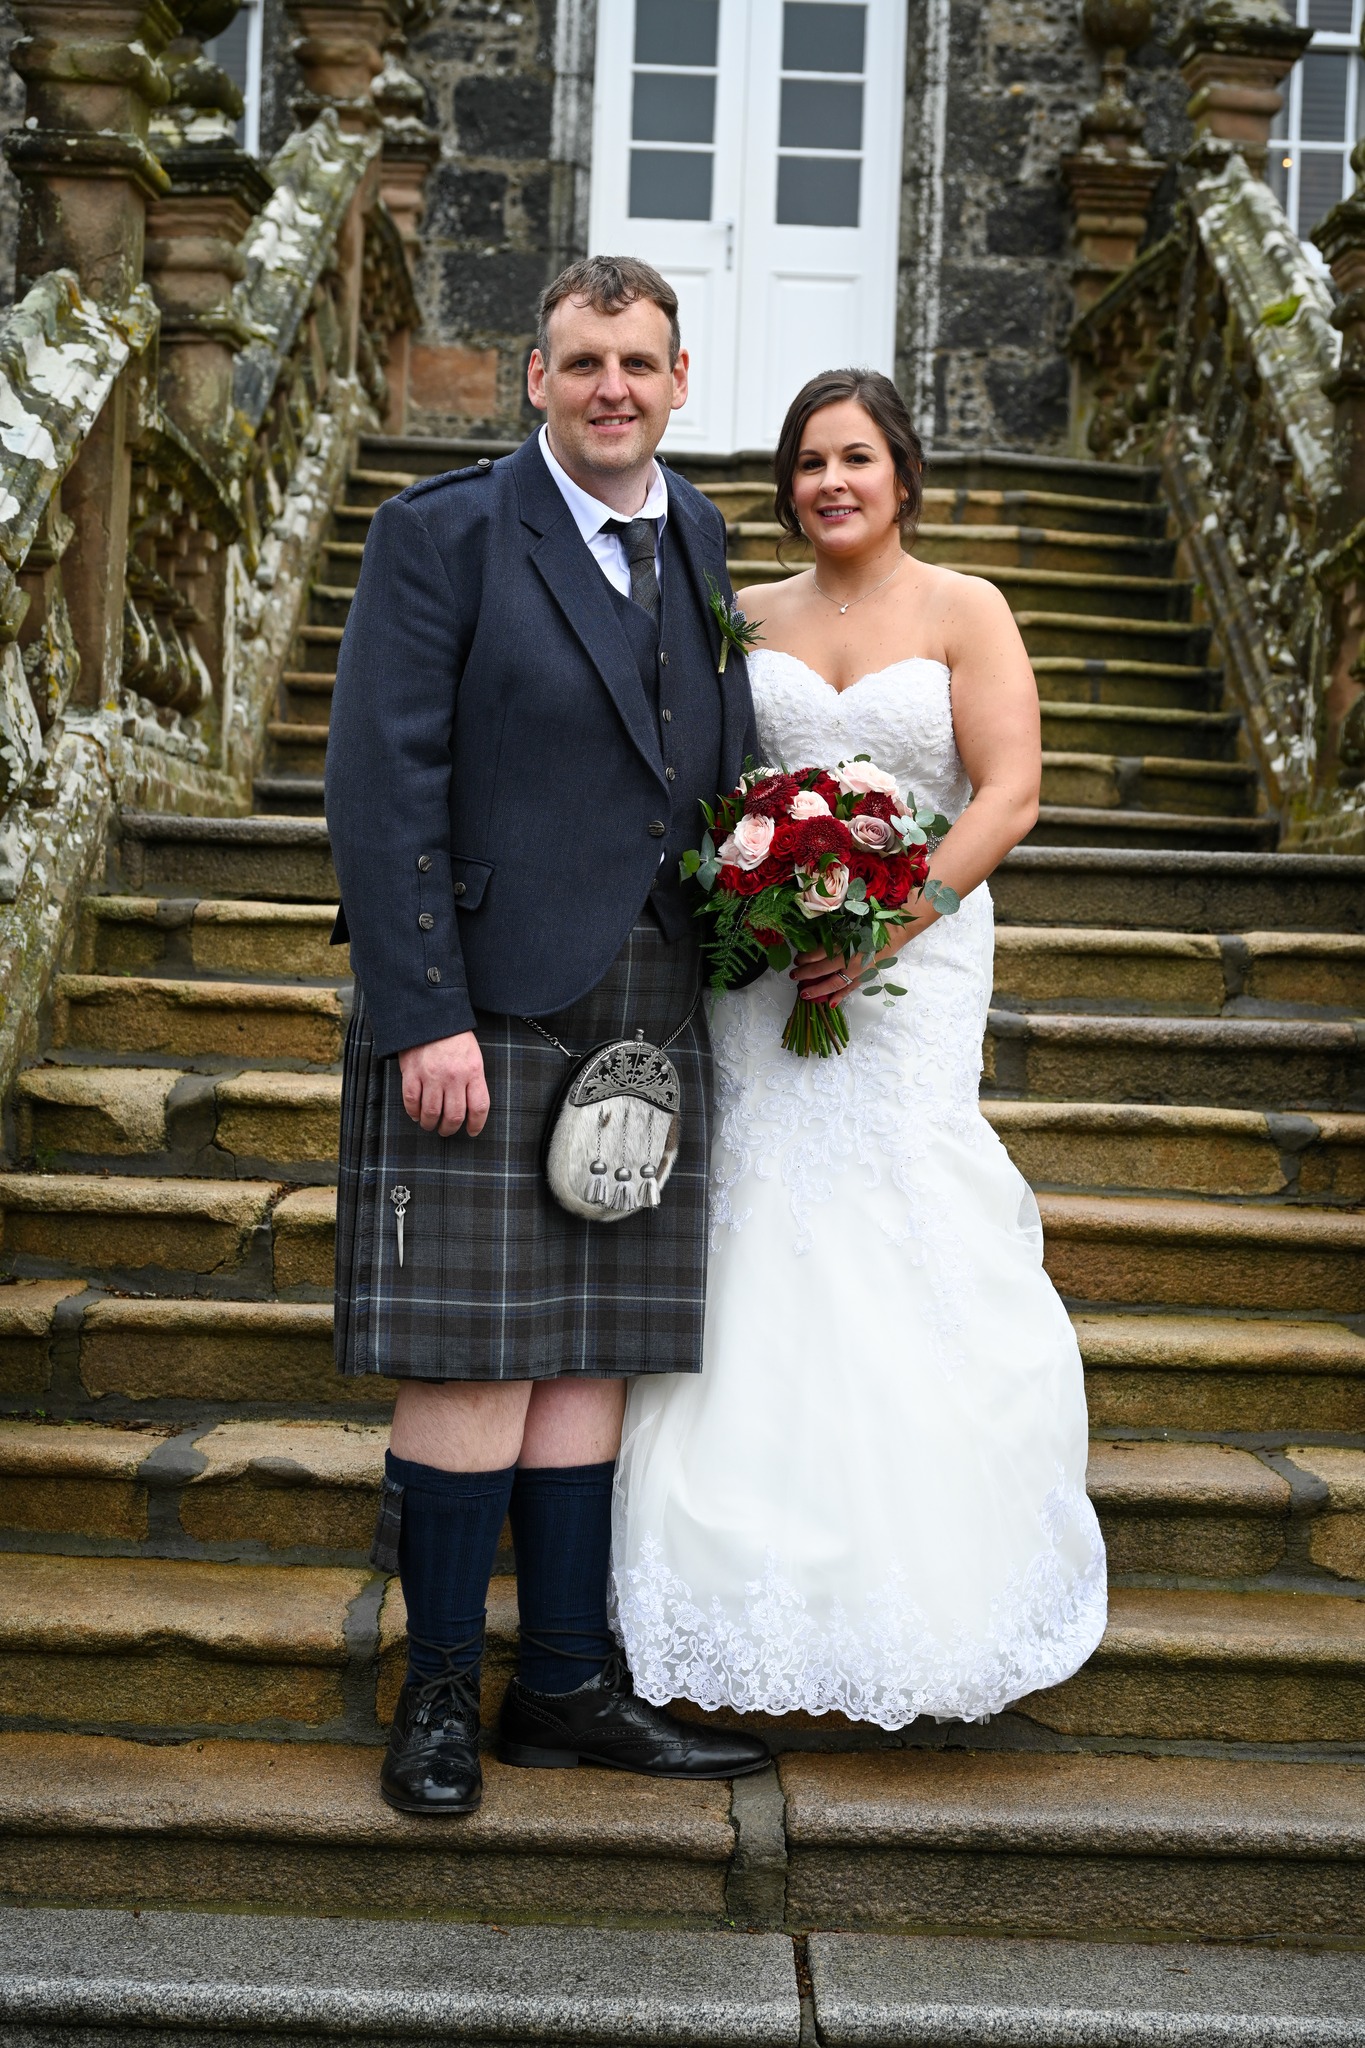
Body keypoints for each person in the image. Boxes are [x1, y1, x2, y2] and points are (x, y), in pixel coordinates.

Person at [325, 255, 770, 1814]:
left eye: (639, 365)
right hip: (488, 998)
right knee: (469, 1352)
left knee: (594, 1349)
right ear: (535, 376)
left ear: (677, 378)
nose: (611, 390)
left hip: (652, 990)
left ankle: (562, 1688)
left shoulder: (699, 534)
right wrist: (420, 1013)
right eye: (584, 363)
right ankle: (439, 1693)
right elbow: (379, 789)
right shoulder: (441, 532)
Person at [612, 369, 1107, 1729]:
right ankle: (730, 1573)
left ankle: (933, 1574)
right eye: (808, 462)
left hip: (917, 955)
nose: (830, 482)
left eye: (855, 458)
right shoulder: (744, 614)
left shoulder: (964, 609)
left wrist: (895, 922)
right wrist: (747, 901)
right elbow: (701, 782)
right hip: (761, 966)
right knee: (761, 1218)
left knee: (897, 1206)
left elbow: (1007, 789)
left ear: (901, 473)